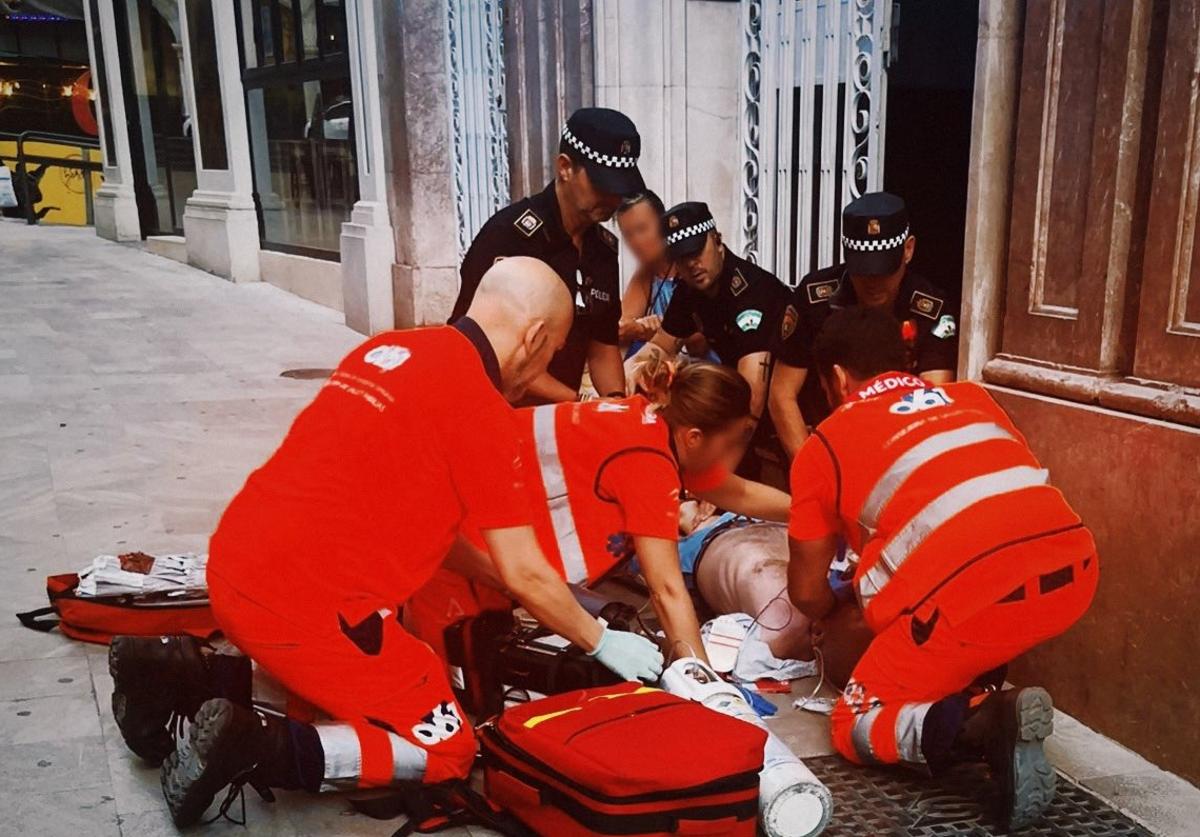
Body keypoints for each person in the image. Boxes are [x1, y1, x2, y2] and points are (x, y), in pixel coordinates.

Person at [140, 258, 662, 827]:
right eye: (554, 349)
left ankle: (186, 672)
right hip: (307, 612)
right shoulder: (482, 411)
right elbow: (526, 572)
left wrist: (503, 582)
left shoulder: (388, 350)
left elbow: (430, 529)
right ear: (536, 337)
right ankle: (256, 745)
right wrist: (598, 638)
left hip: (233, 569)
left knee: (338, 691)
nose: (544, 367)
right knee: (449, 750)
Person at [786, 306, 1098, 830]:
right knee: (943, 628)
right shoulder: (974, 397)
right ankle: (974, 686)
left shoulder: (824, 446)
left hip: (969, 601)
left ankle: (982, 723)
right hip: (1075, 572)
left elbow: (805, 589)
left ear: (835, 378)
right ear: (904, 359)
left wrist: (836, 612)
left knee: (852, 722)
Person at [406, 359, 792, 666]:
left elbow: (733, 491)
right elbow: (667, 591)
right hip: (458, 558)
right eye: (730, 443)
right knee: (453, 691)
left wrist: (810, 510)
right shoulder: (648, 463)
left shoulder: (645, 418)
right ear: (694, 437)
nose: (730, 457)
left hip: (463, 533)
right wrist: (704, 685)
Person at [450, 107, 645, 404]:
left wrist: (617, 404)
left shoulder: (603, 249)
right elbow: (482, 348)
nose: (613, 199)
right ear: (565, 167)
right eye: (602, 185)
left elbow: (602, 344)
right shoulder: (509, 236)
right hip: (500, 407)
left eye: (621, 189)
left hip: (561, 412)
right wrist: (581, 404)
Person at [770, 192, 959, 458]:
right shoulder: (814, 298)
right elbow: (781, 395)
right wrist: (812, 468)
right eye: (862, 269)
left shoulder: (929, 308)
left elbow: (933, 405)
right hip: (823, 440)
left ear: (908, 249)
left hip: (896, 446)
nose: (873, 281)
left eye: (884, 270)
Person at [637, 201, 790, 478]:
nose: (692, 264)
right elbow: (661, 346)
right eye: (681, 258)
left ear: (717, 240)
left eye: (696, 252)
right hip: (741, 414)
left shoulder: (751, 291)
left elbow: (752, 395)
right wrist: (631, 375)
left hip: (785, 415)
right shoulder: (690, 290)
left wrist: (719, 477)